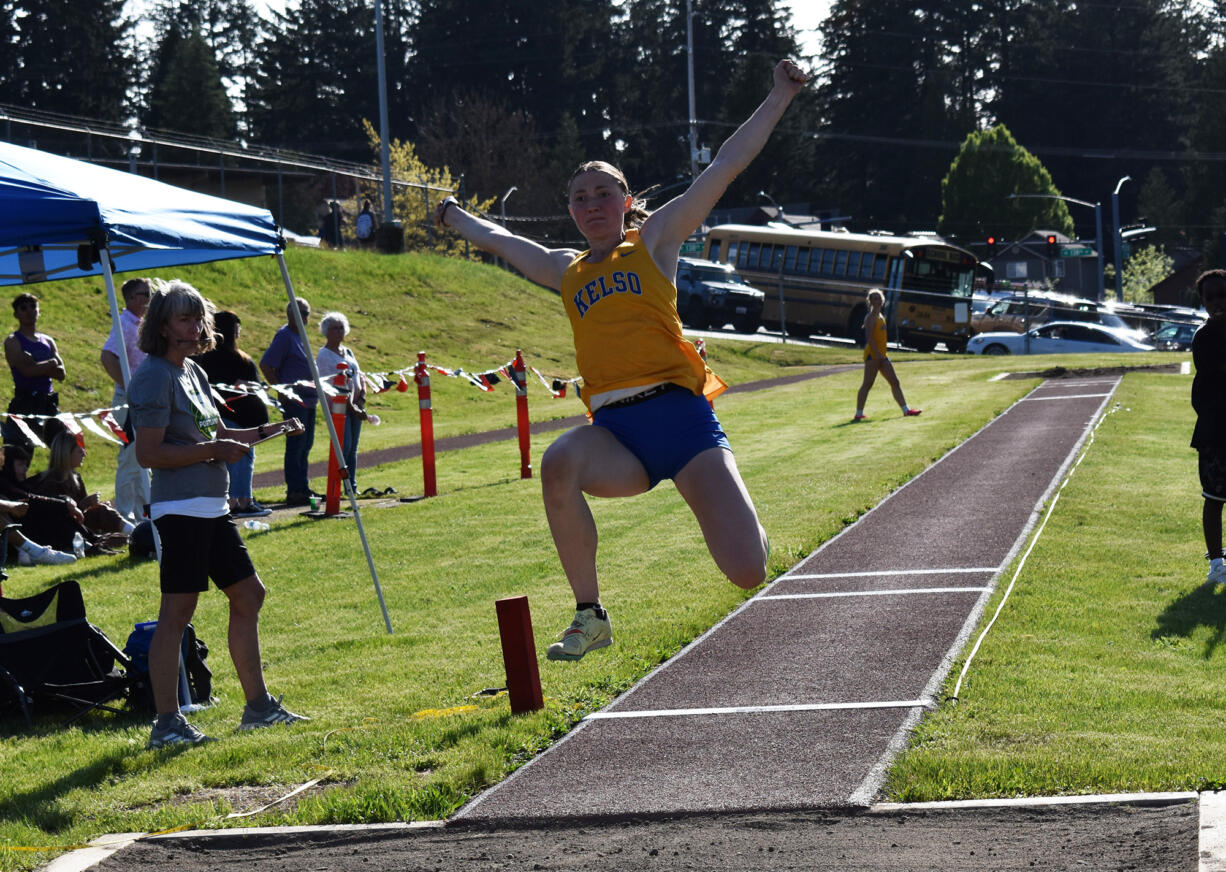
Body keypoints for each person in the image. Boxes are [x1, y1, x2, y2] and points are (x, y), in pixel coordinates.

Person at [433, 59, 808, 662]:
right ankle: (590, 614)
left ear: (625, 200)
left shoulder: (656, 240)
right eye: (580, 198)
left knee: (747, 570)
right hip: (616, 433)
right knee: (557, 463)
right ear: (573, 212)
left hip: (683, 423)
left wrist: (779, 96)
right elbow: (505, 243)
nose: (591, 205)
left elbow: (726, 165)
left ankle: (752, 531)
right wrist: (454, 218)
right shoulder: (566, 270)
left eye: (602, 194)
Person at [129, 279, 308, 748]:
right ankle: (167, 723)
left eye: (197, 318)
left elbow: (221, 432)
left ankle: (258, 708)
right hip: (180, 509)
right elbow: (149, 453)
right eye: (184, 319)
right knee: (178, 612)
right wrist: (213, 449)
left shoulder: (194, 371)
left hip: (213, 507)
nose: (195, 326)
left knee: (248, 594)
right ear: (163, 327)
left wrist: (272, 428)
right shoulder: (151, 376)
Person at [194, 311, 270, 517]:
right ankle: (242, 502)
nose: (239, 331)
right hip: (235, 415)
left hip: (227, 415)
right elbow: (243, 385)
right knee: (242, 458)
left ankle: (234, 500)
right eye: (237, 327)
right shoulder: (230, 358)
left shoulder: (206, 357)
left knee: (230, 460)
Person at [100, 276, 153, 524]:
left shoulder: (137, 323)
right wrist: (127, 386)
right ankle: (123, 514)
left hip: (139, 398)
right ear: (132, 298)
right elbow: (107, 356)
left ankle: (144, 512)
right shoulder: (126, 325)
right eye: (145, 293)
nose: (149, 298)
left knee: (140, 457)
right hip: (130, 399)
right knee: (130, 458)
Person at [259, 299, 319, 506]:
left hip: (309, 401)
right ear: (289, 315)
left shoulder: (300, 337)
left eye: (306, 313)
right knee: (296, 444)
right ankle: (295, 490)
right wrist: (281, 389)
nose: (304, 317)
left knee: (306, 445)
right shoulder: (285, 336)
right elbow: (266, 364)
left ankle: (302, 486)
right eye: (299, 313)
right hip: (295, 402)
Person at [316, 312, 378, 494]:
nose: (338, 331)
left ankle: (352, 486)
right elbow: (334, 386)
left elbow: (359, 375)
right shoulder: (324, 356)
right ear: (326, 332)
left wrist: (362, 398)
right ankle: (340, 485)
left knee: (353, 448)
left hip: (357, 404)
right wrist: (353, 407)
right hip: (340, 407)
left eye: (341, 327)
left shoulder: (348, 352)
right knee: (345, 445)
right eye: (334, 328)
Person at [1191, 270, 1226, 585]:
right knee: (1215, 497)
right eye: (1210, 298)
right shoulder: (1205, 336)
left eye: (1223, 296)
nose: (1217, 303)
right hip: (1216, 432)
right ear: (1202, 302)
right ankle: (1216, 563)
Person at [33, 430, 134, 537]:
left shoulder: (76, 477)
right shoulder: (51, 482)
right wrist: (86, 503)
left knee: (102, 509)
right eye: (80, 451)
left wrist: (94, 505)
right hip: (63, 530)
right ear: (67, 453)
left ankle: (133, 531)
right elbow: (60, 516)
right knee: (102, 511)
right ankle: (135, 532)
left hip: (79, 524)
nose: (84, 454)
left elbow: (85, 510)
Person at [0, 443, 86, 563]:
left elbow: (36, 496)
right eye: (20, 464)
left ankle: (89, 541)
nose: (25, 469)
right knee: (48, 511)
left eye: (26, 465)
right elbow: (32, 499)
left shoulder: (18, 484)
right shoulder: (5, 485)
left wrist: (64, 501)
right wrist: (64, 504)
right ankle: (35, 551)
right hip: (17, 542)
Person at [2, 293, 65, 451]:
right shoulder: (12, 341)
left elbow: (61, 374)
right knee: (17, 455)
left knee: (64, 448)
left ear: (39, 310)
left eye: (33, 306)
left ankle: (59, 476)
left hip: (48, 403)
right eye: (23, 307)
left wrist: (37, 365)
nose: (29, 310)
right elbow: (26, 372)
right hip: (25, 403)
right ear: (16, 314)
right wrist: (50, 364)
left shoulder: (48, 340)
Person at [853, 289, 921, 421]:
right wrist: (878, 354)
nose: (878, 301)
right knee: (867, 383)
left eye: (880, 298)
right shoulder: (870, 317)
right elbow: (869, 338)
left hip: (882, 355)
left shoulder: (881, 317)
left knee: (895, 381)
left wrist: (881, 355)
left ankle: (906, 410)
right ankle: (858, 413)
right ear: (871, 301)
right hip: (873, 356)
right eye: (875, 298)